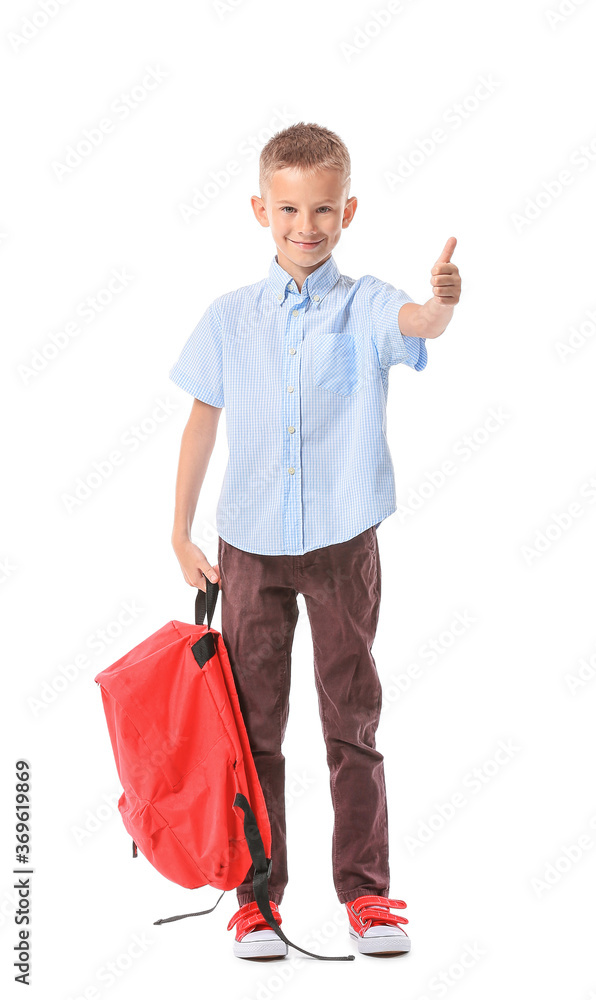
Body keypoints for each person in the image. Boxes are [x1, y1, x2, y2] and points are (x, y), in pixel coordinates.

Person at [169, 122, 461, 959]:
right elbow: (200, 422)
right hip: (250, 550)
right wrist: (177, 529)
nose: (307, 224)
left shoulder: (367, 303)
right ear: (261, 209)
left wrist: (441, 300)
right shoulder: (229, 318)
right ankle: (256, 900)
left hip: (342, 548)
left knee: (351, 723)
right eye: (290, 208)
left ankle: (367, 897)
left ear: (348, 211)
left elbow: (421, 322)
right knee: (254, 728)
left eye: (324, 209)